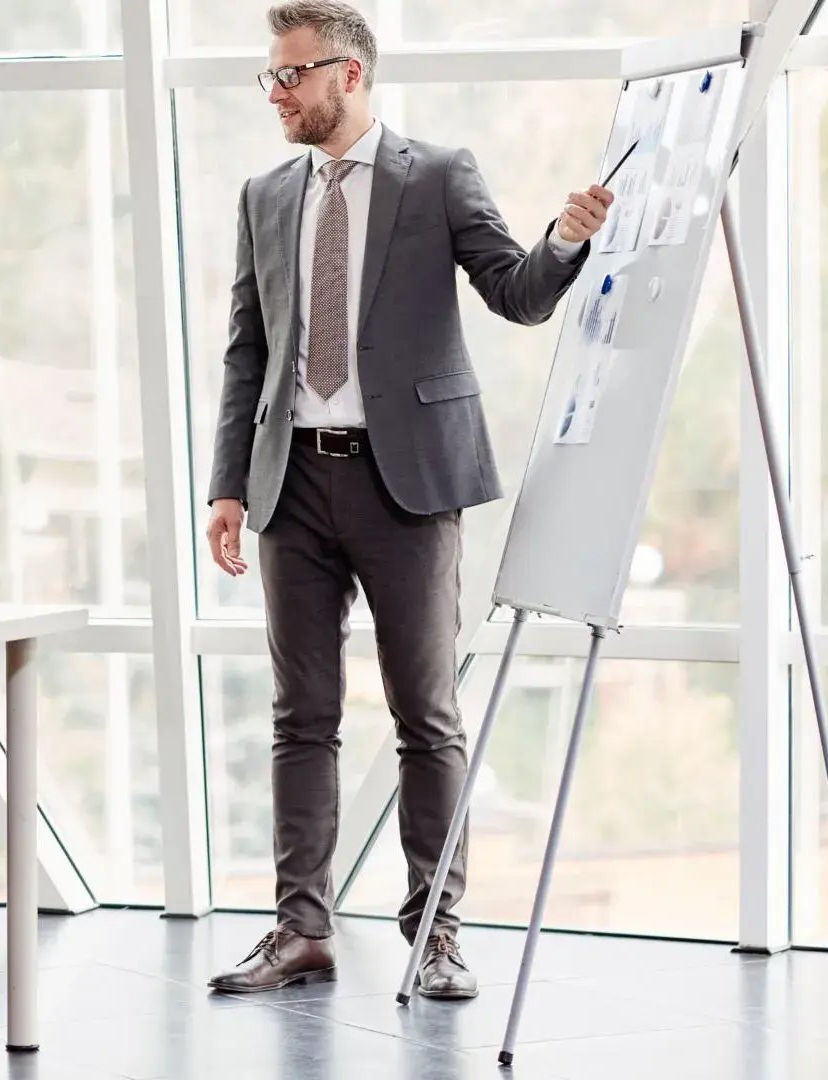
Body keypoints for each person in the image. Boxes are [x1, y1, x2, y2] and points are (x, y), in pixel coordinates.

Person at [202, 2, 613, 1000]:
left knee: (426, 714)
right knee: (301, 715)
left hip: (409, 483)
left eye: (293, 74)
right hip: (289, 481)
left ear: (350, 74)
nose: (279, 93)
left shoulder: (437, 175)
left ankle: (437, 932)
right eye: (273, 76)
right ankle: (300, 929)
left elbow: (516, 293)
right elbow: (246, 350)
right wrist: (224, 486)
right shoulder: (264, 193)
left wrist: (563, 238)